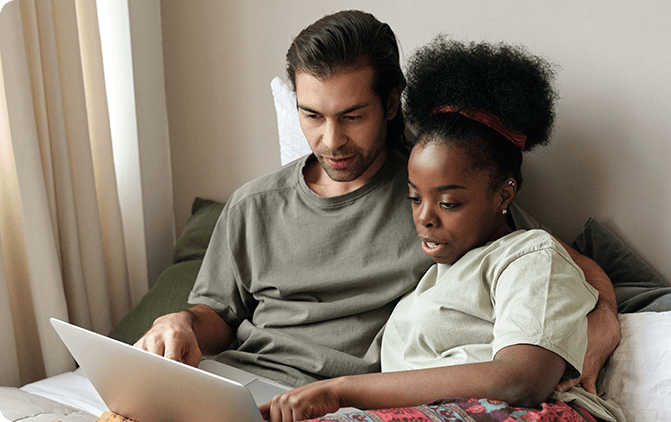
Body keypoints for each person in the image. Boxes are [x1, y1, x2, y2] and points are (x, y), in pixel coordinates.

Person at [135, 9, 618, 395]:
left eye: (351, 115)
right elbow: (216, 315)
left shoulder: (441, 193)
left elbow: (558, 264)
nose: (331, 140)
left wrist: (602, 324)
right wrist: (178, 322)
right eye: (312, 115)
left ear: (390, 104)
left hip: (339, 400)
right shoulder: (253, 206)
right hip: (235, 383)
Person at [258, 36, 625, 422]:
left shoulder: (528, 255)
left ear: (504, 194)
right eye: (415, 198)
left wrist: (341, 391)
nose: (425, 218)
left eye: (449, 203)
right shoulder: (429, 286)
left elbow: (522, 380)